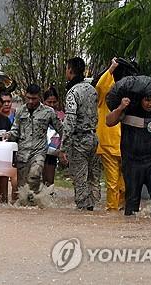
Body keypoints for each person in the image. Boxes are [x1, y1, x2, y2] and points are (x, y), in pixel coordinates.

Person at [106, 93, 151, 216]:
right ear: (140, 99)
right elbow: (109, 121)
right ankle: (131, 230)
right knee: (132, 202)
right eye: (147, 100)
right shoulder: (128, 109)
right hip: (131, 163)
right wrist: (120, 107)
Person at [3, 84, 63, 198]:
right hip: (22, 154)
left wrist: (63, 148)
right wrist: (8, 135)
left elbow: (61, 130)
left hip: (38, 152)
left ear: (39, 97)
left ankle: (37, 198)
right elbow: (15, 130)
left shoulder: (48, 112)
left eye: (34, 98)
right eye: (28, 98)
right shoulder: (20, 111)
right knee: (22, 188)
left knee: (34, 175)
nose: (31, 101)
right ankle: (30, 204)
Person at [59, 57, 102, 211]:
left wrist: (63, 147)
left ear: (70, 70)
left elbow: (70, 121)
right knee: (93, 179)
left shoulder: (73, 92)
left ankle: (84, 211)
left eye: (66, 69)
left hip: (79, 140)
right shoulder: (92, 89)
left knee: (80, 180)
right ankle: (92, 209)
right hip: (94, 138)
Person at [95, 58, 125, 211]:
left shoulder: (128, 94)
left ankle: (120, 211)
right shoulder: (106, 93)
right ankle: (112, 211)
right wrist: (112, 67)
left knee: (124, 185)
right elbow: (100, 86)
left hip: (125, 145)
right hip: (108, 144)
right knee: (113, 183)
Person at [42, 86, 65, 186]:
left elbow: (64, 134)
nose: (52, 105)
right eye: (49, 102)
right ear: (44, 102)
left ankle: (48, 198)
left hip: (53, 152)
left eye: (54, 102)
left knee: (49, 180)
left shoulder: (61, 116)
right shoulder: (39, 115)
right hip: (40, 150)